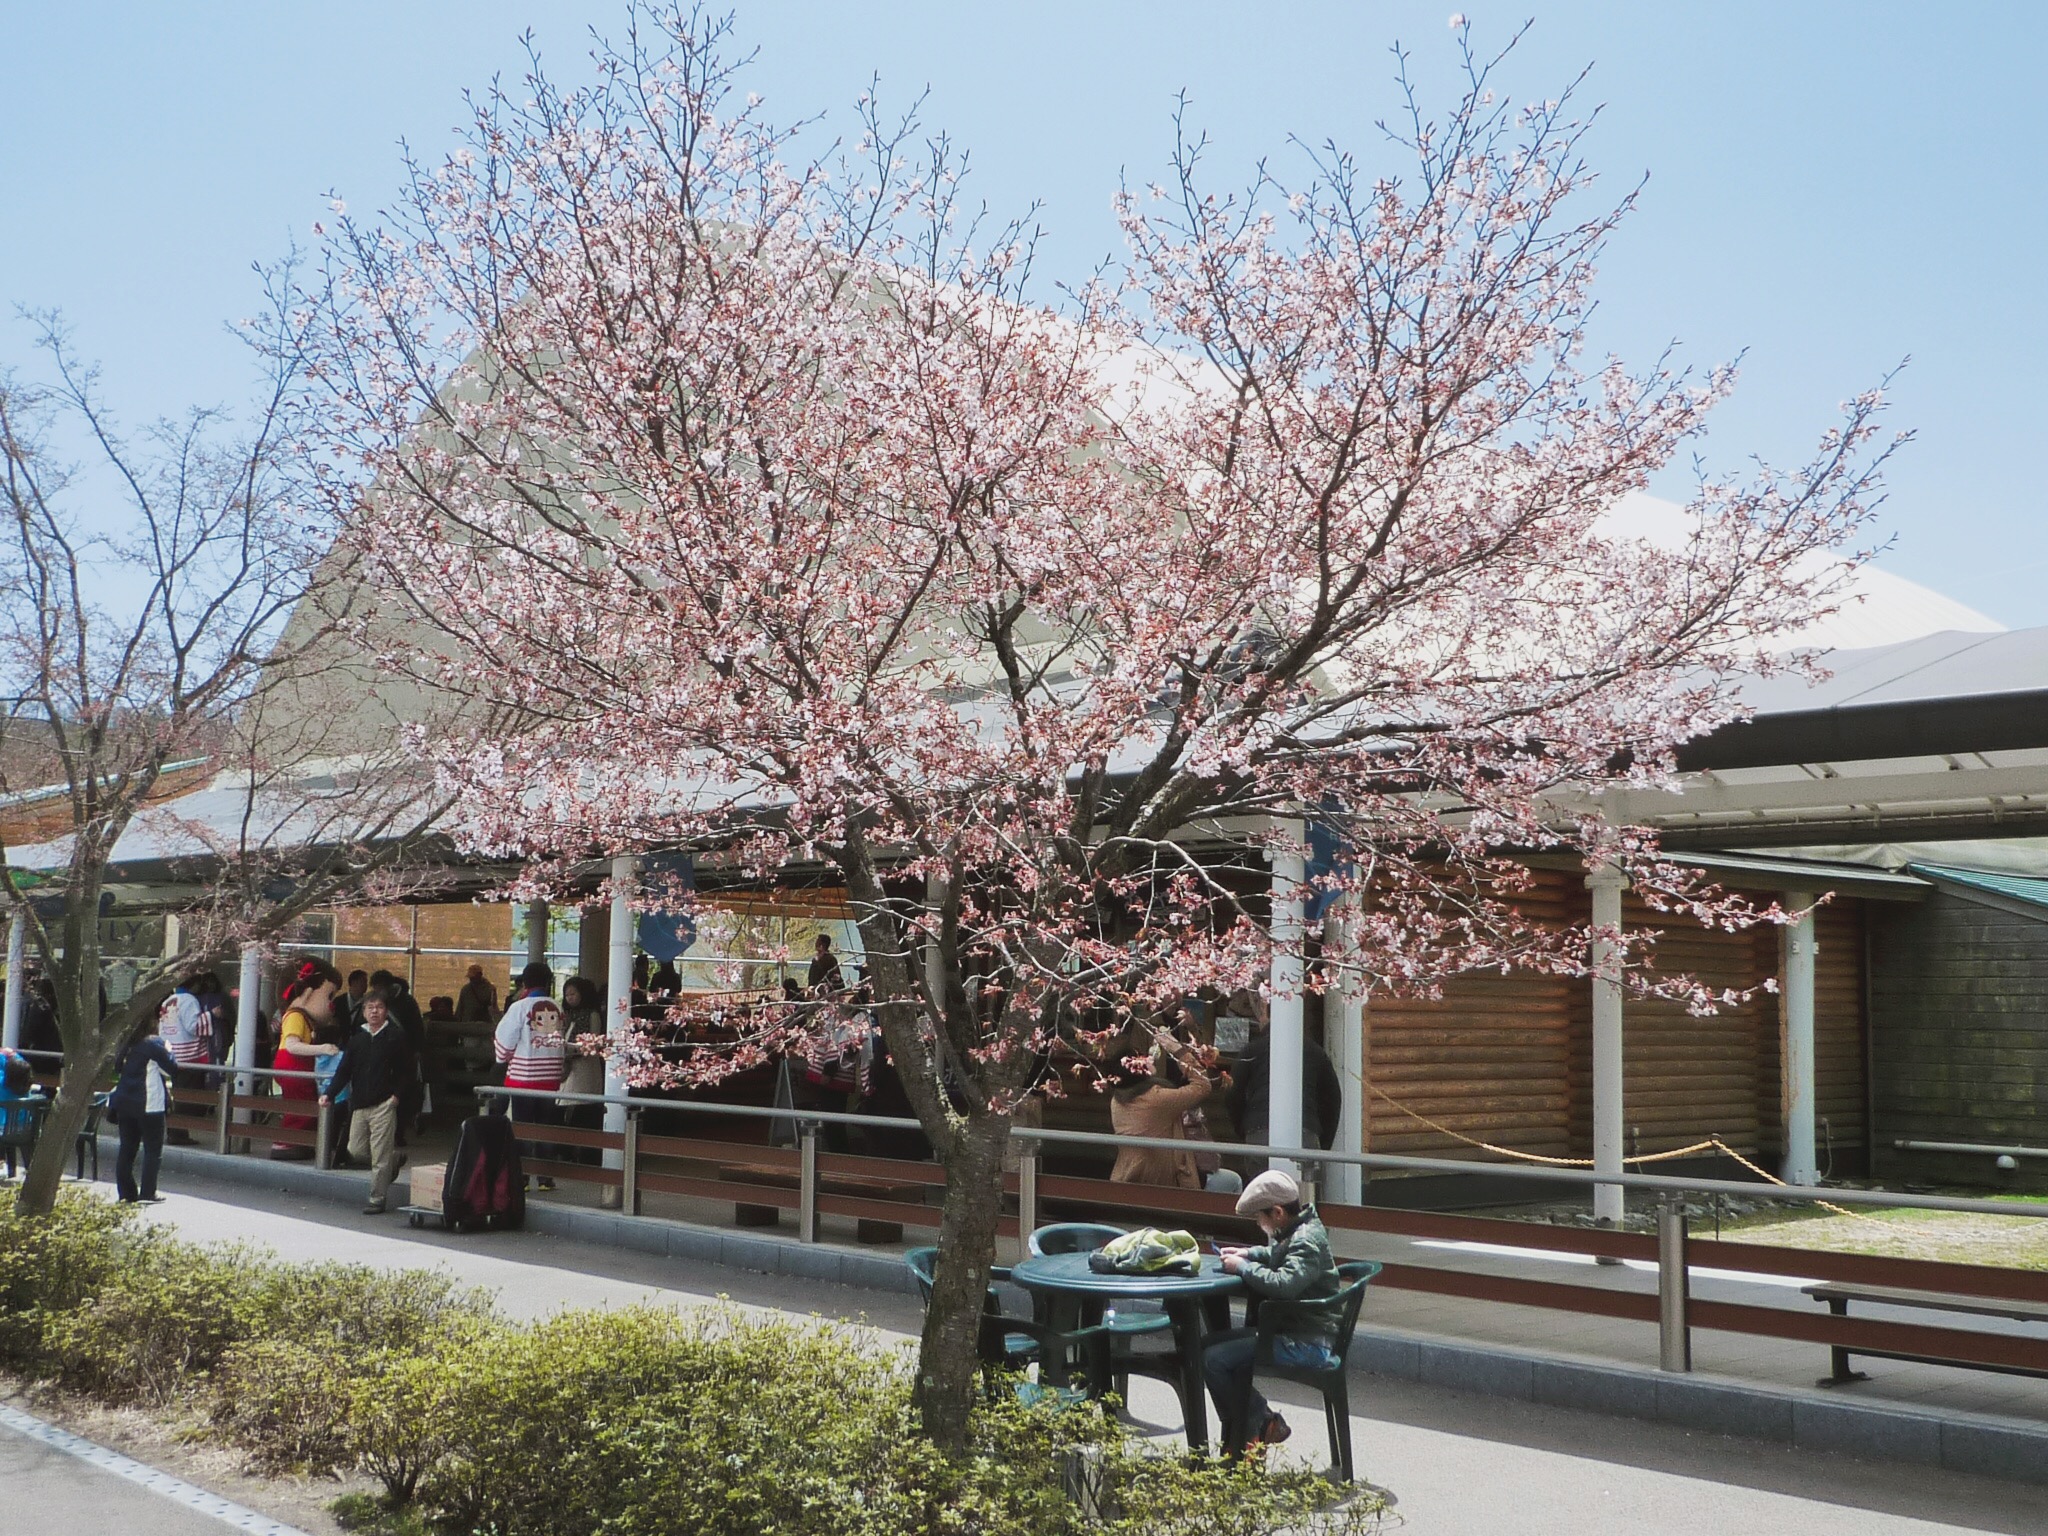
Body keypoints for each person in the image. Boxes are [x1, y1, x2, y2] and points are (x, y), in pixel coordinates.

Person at [1203, 1170, 1341, 1447]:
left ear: (1277, 1213)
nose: (1259, 1223)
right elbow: (1278, 1255)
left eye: (1259, 1217)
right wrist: (1249, 1254)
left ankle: (1255, 1422)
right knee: (1205, 1349)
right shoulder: (1301, 1230)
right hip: (1296, 1332)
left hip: (1306, 1342)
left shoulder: (1305, 1241)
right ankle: (1252, 1426)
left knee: (1214, 1360)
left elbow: (1284, 1284)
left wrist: (1243, 1267)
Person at [321, 985, 418, 1214]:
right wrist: (329, 1094)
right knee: (356, 1150)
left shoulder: (396, 1037)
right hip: (360, 1104)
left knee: (379, 1157)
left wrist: (396, 1097)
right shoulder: (357, 1040)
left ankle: (377, 1198)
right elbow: (344, 1071)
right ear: (364, 1012)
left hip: (384, 1104)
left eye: (379, 1007)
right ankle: (393, 1161)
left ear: (386, 1011)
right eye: (370, 1007)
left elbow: (407, 1071)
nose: (374, 1011)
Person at [1226, 991, 1344, 1155]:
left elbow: (1233, 1093)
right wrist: (1322, 1141)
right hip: (1306, 1132)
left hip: (1259, 1131)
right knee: (1302, 1180)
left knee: (1263, 1180)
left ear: (1265, 1013)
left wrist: (1246, 1127)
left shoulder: (1251, 1051)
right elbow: (1333, 1099)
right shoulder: (1314, 1051)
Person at [1109, 1031, 1215, 1190]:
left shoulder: (1117, 1100)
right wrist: (1178, 1051)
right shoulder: (1157, 1099)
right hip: (1166, 1184)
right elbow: (1202, 1085)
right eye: (1142, 1059)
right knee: (1231, 1181)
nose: (1149, 1058)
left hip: (1126, 1177)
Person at [493, 963, 565, 1188]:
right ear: (548, 982)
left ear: (524, 982)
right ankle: (545, 1177)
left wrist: (504, 1057)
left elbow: (504, 1041)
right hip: (551, 1076)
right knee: (545, 1127)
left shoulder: (519, 1007)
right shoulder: (557, 1007)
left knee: (522, 1127)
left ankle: (521, 1177)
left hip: (523, 1077)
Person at [270, 960, 343, 1160]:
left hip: (298, 1067)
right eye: (329, 995)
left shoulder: (304, 1019)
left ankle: (298, 1142)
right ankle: (287, 1143)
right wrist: (322, 1049)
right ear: (308, 993)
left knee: (305, 1104)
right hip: (292, 1066)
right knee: (300, 1106)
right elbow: (293, 1045)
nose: (331, 1003)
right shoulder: (295, 1016)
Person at [109, 1019, 179, 1203]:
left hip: (125, 1102)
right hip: (149, 1103)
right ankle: (148, 1192)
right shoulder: (154, 1043)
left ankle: (126, 1193)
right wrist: (169, 1048)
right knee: (153, 1150)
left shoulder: (127, 1043)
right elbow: (172, 1068)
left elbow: (117, 1067)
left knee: (127, 1148)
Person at [158, 974, 213, 1144]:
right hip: (189, 1056)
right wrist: (211, 1015)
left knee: (178, 1093)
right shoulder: (189, 1000)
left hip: (172, 1053)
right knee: (186, 1097)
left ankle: (175, 1132)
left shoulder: (168, 1001)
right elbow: (193, 1026)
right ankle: (178, 1133)